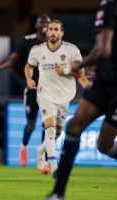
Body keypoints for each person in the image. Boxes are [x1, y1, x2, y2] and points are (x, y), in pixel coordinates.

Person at [48, 1, 117, 199]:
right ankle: (58, 194)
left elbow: (102, 50)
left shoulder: (109, 5)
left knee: (104, 145)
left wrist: (76, 66)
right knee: (74, 126)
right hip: (105, 79)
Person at [0, 14, 51, 168]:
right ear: (36, 26)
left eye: (47, 23)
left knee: (47, 125)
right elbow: (13, 59)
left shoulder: (54, 43)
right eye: (42, 23)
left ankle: (43, 160)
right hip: (32, 90)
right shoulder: (28, 42)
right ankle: (23, 148)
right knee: (31, 125)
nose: (44, 26)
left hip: (49, 91)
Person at [25, 19, 86, 178]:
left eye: (56, 29)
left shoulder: (71, 50)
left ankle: (40, 150)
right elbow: (28, 66)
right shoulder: (37, 50)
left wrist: (65, 70)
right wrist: (29, 79)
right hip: (45, 95)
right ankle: (54, 167)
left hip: (64, 97)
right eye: (50, 29)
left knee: (56, 133)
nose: (52, 32)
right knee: (50, 129)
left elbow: (81, 73)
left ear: (61, 33)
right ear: (47, 32)